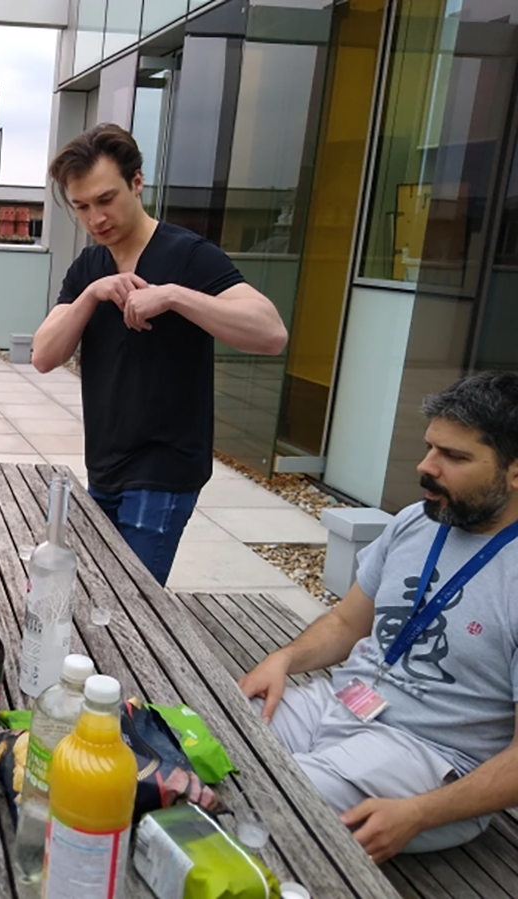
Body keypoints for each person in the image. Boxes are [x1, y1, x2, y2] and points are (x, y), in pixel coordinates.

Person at [240, 372, 518, 864]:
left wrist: (421, 813)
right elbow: (348, 624)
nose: (426, 467)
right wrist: (283, 659)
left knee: (262, 805)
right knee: (205, 741)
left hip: (427, 758)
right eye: (431, 447)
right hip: (343, 701)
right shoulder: (419, 519)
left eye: (453, 457)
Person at [32, 124, 288, 585]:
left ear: (136, 182)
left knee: (132, 602)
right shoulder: (90, 267)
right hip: (105, 462)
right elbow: (44, 355)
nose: (96, 218)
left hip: (165, 467)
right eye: (82, 207)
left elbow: (271, 334)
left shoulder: (188, 255)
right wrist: (91, 294)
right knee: (101, 596)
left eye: (106, 200)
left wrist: (175, 297)